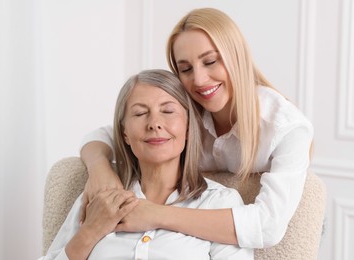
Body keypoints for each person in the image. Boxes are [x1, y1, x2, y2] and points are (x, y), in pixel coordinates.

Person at [80, 8, 314, 248]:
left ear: (237, 57)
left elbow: (268, 226)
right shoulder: (181, 114)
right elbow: (107, 135)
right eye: (186, 69)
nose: (199, 80)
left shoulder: (287, 127)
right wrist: (100, 170)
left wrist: (155, 214)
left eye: (210, 61)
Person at [40, 69, 252, 259]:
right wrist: (90, 232)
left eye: (168, 111)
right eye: (140, 113)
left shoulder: (219, 203)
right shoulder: (99, 196)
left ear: (188, 127)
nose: (154, 124)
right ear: (124, 134)